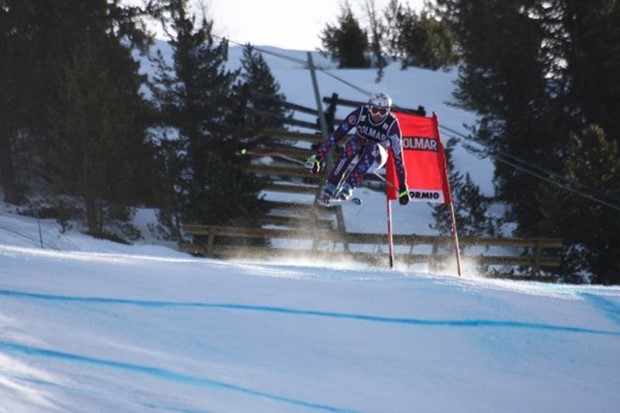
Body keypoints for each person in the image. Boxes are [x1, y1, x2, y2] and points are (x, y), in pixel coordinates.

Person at [305, 92, 411, 206]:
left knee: (372, 147)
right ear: (369, 107)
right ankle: (330, 186)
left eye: (382, 112)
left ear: (388, 111)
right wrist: (317, 158)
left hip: (376, 157)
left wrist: (403, 187)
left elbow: (398, 158)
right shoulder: (360, 114)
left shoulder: (392, 124)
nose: (378, 115)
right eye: (375, 110)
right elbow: (336, 136)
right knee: (352, 144)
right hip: (358, 150)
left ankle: (349, 186)